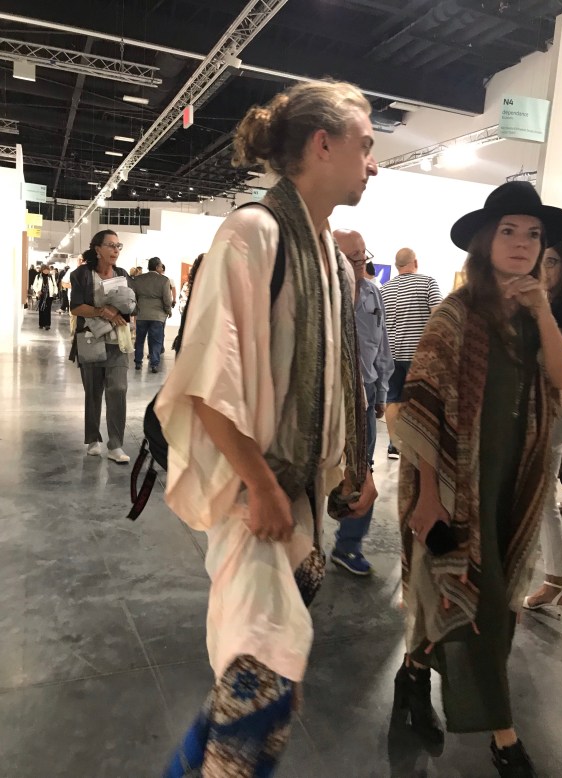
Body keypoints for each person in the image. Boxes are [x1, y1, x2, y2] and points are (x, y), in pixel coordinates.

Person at [155, 79, 378, 777]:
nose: (373, 165)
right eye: (366, 146)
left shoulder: (331, 259)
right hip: (255, 504)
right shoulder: (253, 233)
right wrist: (260, 485)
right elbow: (207, 379)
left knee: (259, 688)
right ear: (323, 144)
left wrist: (352, 470)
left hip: (298, 503)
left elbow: (338, 379)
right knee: (261, 689)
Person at [392, 182, 562, 777]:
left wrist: (543, 312)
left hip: (513, 487)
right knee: (485, 606)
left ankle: (411, 678)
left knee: (449, 598)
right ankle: (504, 738)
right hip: (455, 485)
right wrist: (427, 495)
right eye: (509, 231)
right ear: (484, 241)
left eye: (534, 235)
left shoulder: (533, 319)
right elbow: (422, 404)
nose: (523, 243)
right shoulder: (455, 315)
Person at [523, 237, 562, 611]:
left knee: (537, 497)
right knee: (543, 497)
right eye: (543, 261)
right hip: (560, 411)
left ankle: (549, 580)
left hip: (553, 411)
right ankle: (553, 582)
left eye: (552, 262)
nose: (544, 269)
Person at [330, 228, 393, 575]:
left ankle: (348, 546)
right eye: (350, 257)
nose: (358, 263)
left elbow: (382, 346)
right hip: (327, 397)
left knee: (362, 471)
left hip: (364, 398)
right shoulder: (322, 292)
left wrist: (381, 393)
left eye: (362, 256)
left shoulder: (373, 293)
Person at [69, 231, 133, 463]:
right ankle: (93, 439)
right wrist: (102, 311)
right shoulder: (81, 275)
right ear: (97, 249)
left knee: (118, 390)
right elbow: (76, 307)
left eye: (118, 246)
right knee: (93, 392)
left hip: (117, 341)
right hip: (90, 340)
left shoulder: (122, 274)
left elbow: (131, 305)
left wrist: (122, 309)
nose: (116, 250)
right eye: (111, 245)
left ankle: (116, 445)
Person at [380, 247, 442, 458]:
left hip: (390, 355)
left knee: (392, 399)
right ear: (415, 262)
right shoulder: (428, 283)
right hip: (417, 355)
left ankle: (393, 445)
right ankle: (415, 449)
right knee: (419, 402)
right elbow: (437, 316)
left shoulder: (385, 289)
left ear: (396, 266)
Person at [132, 257, 172, 373]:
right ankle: (154, 364)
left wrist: (136, 309)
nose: (162, 268)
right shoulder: (164, 280)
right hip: (157, 315)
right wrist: (168, 310)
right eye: (161, 266)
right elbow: (167, 298)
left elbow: (134, 296)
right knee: (156, 340)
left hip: (142, 314)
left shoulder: (138, 279)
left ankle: (138, 362)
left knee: (140, 339)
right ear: (157, 267)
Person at [32, 264, 58, 330]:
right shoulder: (38, 276)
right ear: (42, 270)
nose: (46, 271)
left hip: (49, 296)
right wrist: (37, 291)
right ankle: (41, 324)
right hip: (41, 295)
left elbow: (55, 286)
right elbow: (34, 285)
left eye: (47, 270)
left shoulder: (51, 277)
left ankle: (47, 324)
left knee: (48, 310)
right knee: (41, 309)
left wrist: (55, 293)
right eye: (45, 269)